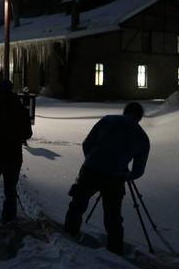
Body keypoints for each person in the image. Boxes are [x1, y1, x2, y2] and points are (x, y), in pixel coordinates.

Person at [64, 102, 150, 255]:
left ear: (125, 112)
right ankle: (115, 250)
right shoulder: (142, 137)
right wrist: (125, 175)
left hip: (90, 170)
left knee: (78, 203)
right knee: (113, 216)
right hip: (115, 178)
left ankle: (69, 234)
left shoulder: (108, 120)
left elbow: (87, 143)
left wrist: (92, 159)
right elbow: (138, 170)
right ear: (139, 117)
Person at [0, 79, 32, 231]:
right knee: (10, 189)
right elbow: (27, 133)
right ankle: (8, 219)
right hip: (13, 157)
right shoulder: (20, 109)